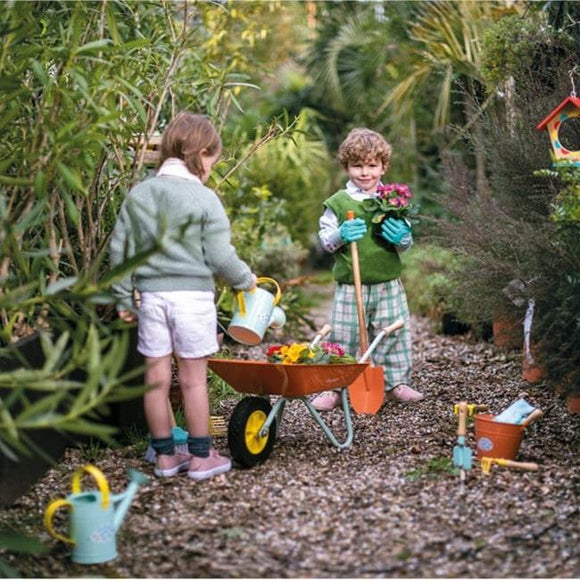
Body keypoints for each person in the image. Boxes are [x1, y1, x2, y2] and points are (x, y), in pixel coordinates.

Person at [110, 111, 257, 479]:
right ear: (202, 152)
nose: (210, 168)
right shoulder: (204, 198)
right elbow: (221, 256)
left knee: (155, 381)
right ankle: (202, 457)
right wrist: (245, 281)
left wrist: (123, 299)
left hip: (152, 299)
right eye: (212, 159)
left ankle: (164, 457)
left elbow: (121, 251)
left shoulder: (140, 193)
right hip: (192, 300)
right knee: (193, 380)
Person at [311, 127, 423, 411]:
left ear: (383, 166)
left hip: (387, 282)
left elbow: (405, 243)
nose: (365, 173)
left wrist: (403, 238)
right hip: (352, 285)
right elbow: (326, 242)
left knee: (392, 332)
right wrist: (341, 235)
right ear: (346, 166)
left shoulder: (392, 200)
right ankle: (334, 387)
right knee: (343, 335)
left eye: (372, 165)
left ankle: (396, 382)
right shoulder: (338, 203)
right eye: (357, 165)